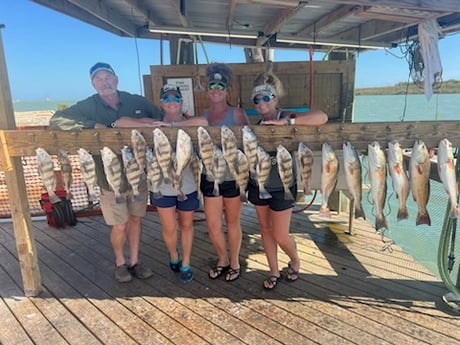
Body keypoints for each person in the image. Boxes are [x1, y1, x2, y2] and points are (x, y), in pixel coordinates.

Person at [49, 62, 163, 283]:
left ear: (116, 79)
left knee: (136, 220)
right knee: (119, 224)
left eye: (108, 77)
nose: (105, 82)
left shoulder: (135, 101)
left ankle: (135, 261)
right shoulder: (87, 106)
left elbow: (160, 116)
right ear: (93, 84)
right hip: (107, 177)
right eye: (99, 79)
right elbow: (56, 120)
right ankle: (120, 262)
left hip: (138, 175)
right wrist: (92, 125)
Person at [248, 74, 328, 290]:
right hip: (258, 184)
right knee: (265, 229)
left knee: (281, 234)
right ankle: (273, 271)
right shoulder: (254, 125)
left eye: (266, 98)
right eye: (256, 100)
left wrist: (286, 122)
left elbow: (321, 117)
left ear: (275, 99)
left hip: (283, 185)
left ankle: (295, 260)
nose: (261, 103)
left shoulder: (288, 116)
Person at [149, 84, 208, 284]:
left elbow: (204, 121)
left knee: (187, 224)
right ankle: (174, 255)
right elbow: (122, 122)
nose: (171, 102)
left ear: (181, 102)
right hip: (163, 185)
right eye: (167, 99)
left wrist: (174, 127)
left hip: (189, 184)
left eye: (175, 98)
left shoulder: (191, 122)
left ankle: (187, 262)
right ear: (161, 103)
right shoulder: (152, 125)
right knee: (169, 226)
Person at [201, 63, 249, 282]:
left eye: (220, 85)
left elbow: (249, 143)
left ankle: (235, 261)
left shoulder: (237, 114)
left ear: (227, 89)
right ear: (207, 89)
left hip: (233, 177)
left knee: (232, 222)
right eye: (212, 84)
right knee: (212, 223)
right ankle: (222, 259)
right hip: (210, 177)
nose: (216, 88)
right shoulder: (201, 117)